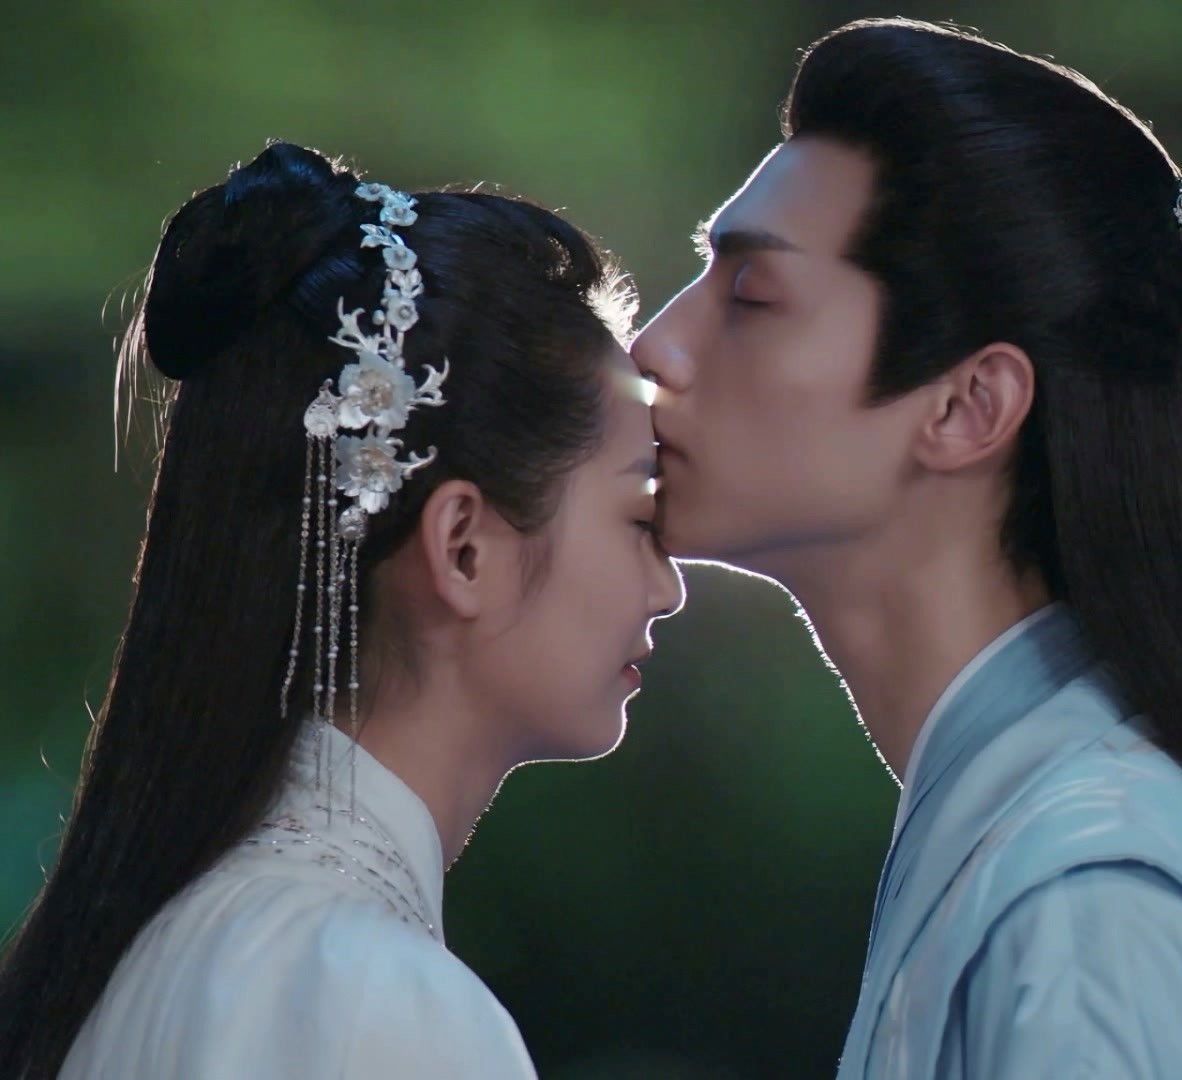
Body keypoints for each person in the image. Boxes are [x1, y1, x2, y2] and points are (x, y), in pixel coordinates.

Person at [633, 18, 1182, 1079]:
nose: (655, 344)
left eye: (752, 296)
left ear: (967, 407)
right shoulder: (1036, 845)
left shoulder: (1097, 916)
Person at [0, 141, 684, 1079]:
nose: (669, 586)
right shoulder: (380, 1000)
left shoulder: (149, 954)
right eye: (641, 516)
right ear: (464, 547)